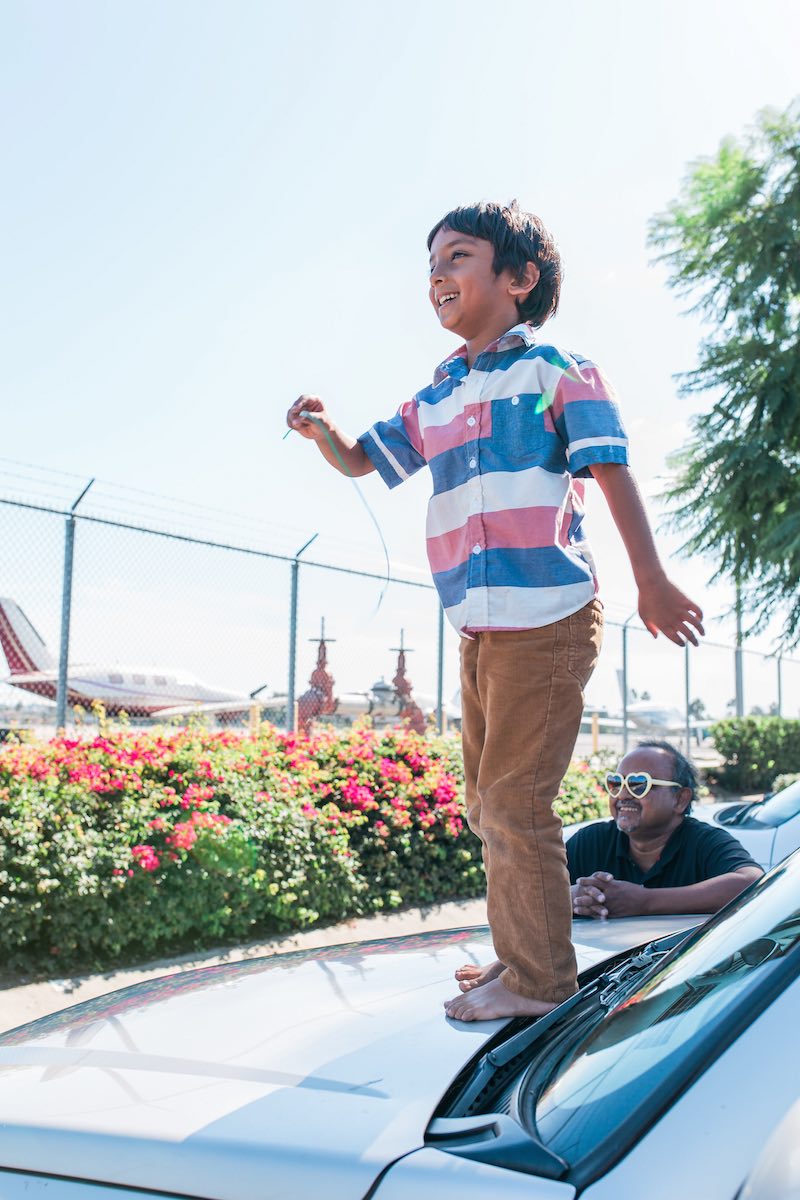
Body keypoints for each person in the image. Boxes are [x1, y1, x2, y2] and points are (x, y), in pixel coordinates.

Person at [286, 200, 704, 1022]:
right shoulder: (439, 393)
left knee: (515, 800)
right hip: (478, 625)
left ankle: (543, 986)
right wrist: (325, 433)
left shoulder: (558, 370)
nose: (439, 273)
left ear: (519, 278)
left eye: (461, 256)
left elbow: (610, 470)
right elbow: (365, 460)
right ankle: (522, 958)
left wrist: (651, 579)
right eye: (432, 262)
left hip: (547, 615)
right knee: (487, 802)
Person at [456, 741, 762, 998]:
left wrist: (644, 901)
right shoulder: (594, 839)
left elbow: (752, 883)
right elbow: (533, 894)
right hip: (599, 991)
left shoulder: (703, 841)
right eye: (616, 783)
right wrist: (570, 897)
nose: (623, 795)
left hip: (684, 987)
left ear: (681, 799)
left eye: (639, 784)